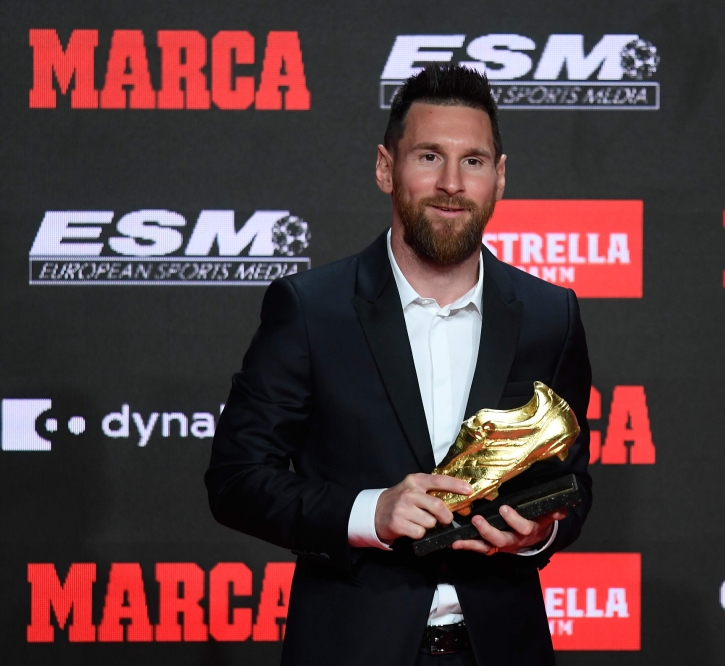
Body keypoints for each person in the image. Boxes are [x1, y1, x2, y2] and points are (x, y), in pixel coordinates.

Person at [205, 64, 592, 666]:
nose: (451, 183)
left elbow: (574, 482)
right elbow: (235, 480)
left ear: (499, 177)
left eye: (473, 161)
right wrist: (371, 512)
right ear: (387, 167)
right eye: (429, 157)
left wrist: (538, 534)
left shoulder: (550, 315)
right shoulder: (312, 309)